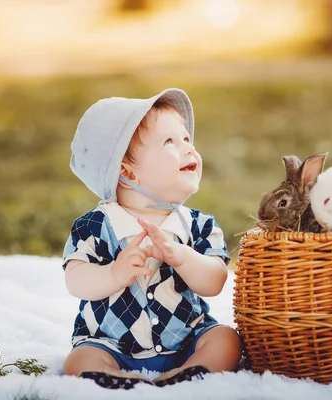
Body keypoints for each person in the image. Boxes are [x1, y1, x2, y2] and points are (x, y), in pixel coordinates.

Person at [61, 88, 242, 389]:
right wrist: (114, 273)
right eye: (170, 141)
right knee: (78, 361)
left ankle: (192, 370)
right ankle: (117, 376)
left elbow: (215, 281)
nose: (188, 149)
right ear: (127, 173)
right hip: (111, 342)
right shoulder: (96, 225)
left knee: (227, 340)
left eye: (186, 138)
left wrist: (183, 257)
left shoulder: (196, 224)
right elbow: (75, 279)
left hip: (187, 338)